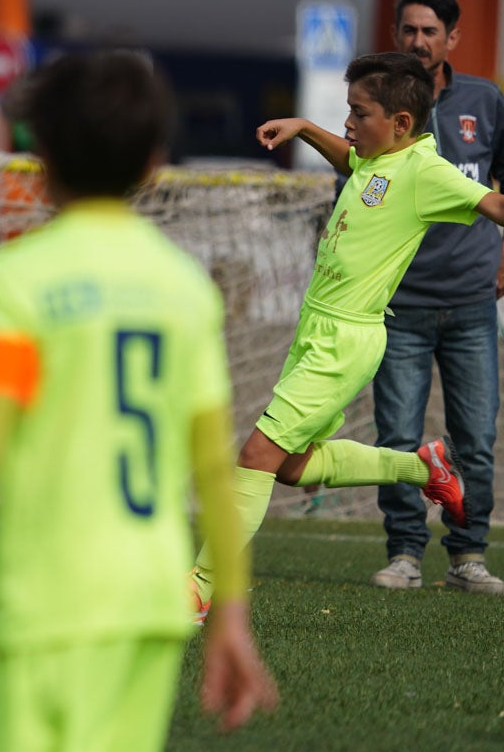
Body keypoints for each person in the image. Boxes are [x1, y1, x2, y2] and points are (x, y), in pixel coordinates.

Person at [0, 52, 276, 752]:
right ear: (153, 164)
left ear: (42, 158)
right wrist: (231, 615)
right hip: (151, 603)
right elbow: (214, 467)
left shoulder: (19, 280)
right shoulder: (185, 288)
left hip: (50, 600)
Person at [188, 50, 504, 616]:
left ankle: (198, 589)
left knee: (257, 454)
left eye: (359, 114)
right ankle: (421, 467)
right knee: (291, 466)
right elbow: (352, 160)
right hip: (316, 329)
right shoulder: (377, 159)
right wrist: (305, 128)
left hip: (346, 342)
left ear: (400, 123)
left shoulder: (425, 171)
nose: (349, 123)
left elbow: (494, 205)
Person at [369, 0, 504, 594]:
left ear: (452, 38)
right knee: (398, 439)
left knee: (476, 439)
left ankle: (467, 556)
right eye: (409, 30)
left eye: (430, 31)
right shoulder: (376, 103)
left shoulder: (486, 99)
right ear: (395, 35)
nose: (418, 41)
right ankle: (404, 552)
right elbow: (357, 185)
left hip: (473, 303)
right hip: (401, 304)